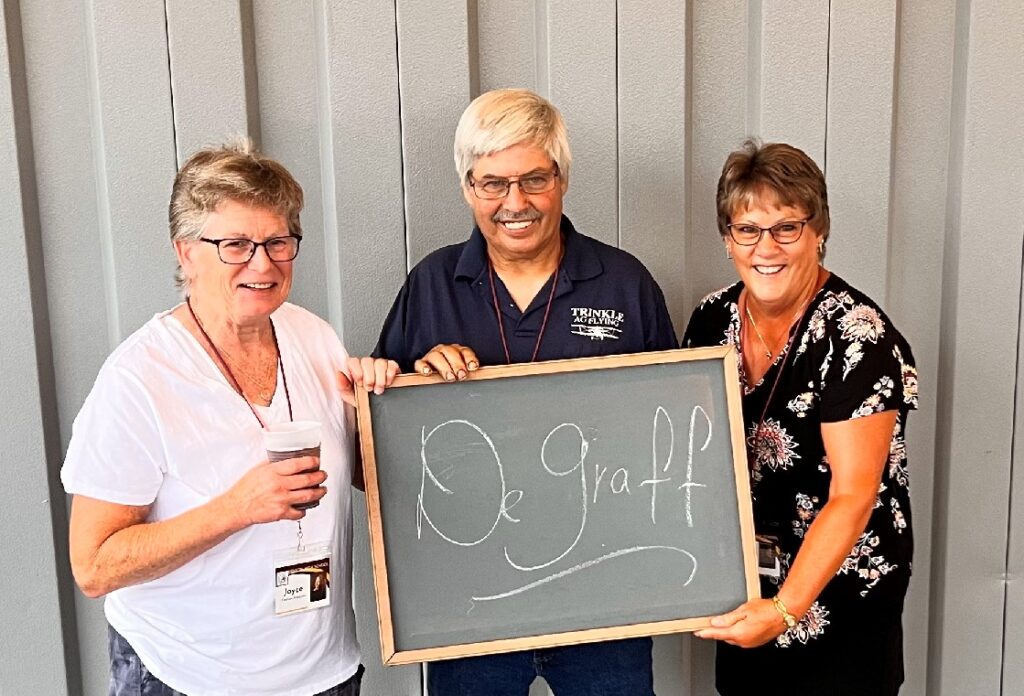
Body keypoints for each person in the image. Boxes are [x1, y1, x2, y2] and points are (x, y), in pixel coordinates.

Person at [354, 88, 676, 695]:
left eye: (533, 179)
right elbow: (371, 461)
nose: (515, 202)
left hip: (605, 604)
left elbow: (673, 442)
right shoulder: (431, 285)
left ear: (562, 179)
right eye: (492, 184)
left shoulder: (625, 284)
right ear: (468, 187)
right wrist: (416, 396)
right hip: (469, 606)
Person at [61, 139, 397, 696]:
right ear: (186, 252)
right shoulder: (139, 378)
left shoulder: (313, 336)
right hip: (188, 676)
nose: (262, 264)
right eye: (235, 244)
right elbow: (95, 566)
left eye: (278, 241)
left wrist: (384, 407)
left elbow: (364, 473)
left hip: (323, 673)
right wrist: (236, 509)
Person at [683, 139, 918, 695]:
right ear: (727, 239)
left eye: (787, 228)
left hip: (839, 594)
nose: (767, 247)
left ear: (819, 232)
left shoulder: (857, 335)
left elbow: (853, 495)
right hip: (747, 586)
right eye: (748, 230)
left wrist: (787, 610)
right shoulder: (712, 318)